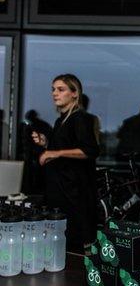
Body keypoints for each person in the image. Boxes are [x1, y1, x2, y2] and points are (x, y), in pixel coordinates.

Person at [31, 74, 99, 253]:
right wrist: (45, 143)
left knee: (77, 247)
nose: (55, 93)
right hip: (60, 192)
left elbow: (89, 150)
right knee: (61, 246)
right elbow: (61, 148)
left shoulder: (81, 118)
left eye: (61, 89)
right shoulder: (61, 120)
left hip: (75, 194)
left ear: (75, 94)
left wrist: (54, 152)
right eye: (53, 89)